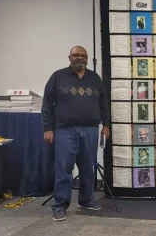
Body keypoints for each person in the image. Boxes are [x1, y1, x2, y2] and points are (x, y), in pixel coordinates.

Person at [42, 46, 110, 222]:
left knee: (88, 167)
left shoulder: (95, 78)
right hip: (64, 130)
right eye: (76, 55)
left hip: (90, 129)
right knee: (64, 168)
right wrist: (47, 128)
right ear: (69, 57)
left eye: (83, 55)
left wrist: (106, 125)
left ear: (87, 59)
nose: (79, 58)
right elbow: (47, 104)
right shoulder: (58, 76)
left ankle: (86, 200)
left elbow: (104, 103)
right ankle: (60, 206)